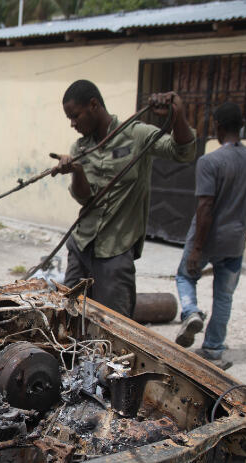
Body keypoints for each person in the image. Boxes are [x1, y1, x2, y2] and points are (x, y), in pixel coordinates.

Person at [50, 80, 195, 317]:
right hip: (82, 245)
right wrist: (77, 171)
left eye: (75, 116)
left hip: (116, 250)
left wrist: (177, 114)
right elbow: (85, 198)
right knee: (68, 317)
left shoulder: (136, 135)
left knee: (114, 325)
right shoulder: (80, 148)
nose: (72, 124)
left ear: (94, 105)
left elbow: (183, 152)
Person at [174, 102, 246, 368]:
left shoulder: (209, 161)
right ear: (242, 125)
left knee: (184, 276)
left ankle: (191, 312)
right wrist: (244, 234)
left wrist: (196, 249)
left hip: (207, 238)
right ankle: (214, 349)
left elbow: (205, 207)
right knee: (224, 296)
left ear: (218, 126)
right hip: (235, 240)